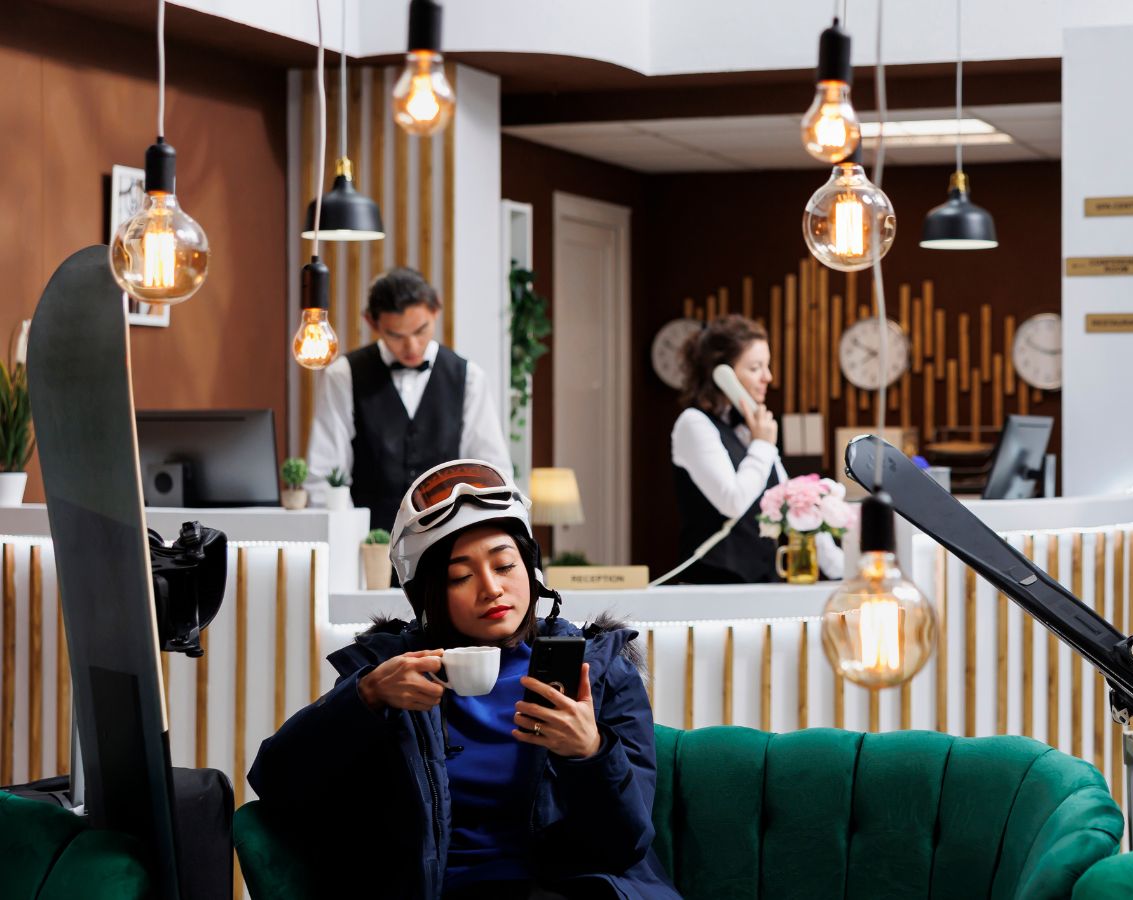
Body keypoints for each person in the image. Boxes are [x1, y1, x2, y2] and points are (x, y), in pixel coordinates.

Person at [249, 459, 678, 900]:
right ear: (430, 596)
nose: (491, 588)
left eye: (505, 565)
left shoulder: (598, 670)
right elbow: (277, 783)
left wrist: (590, 753)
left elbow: (624, 845)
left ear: (531, 570)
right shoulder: (393, 673)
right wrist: (366, 695)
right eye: (461, 576)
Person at [308, 267, 512, 531]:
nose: (412, 346)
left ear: (436, 311)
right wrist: (350, 540)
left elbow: (491, 474)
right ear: (372, 323)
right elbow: (324, 477)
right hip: (368, 541)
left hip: (447, 540)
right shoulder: (343, 375)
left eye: (421, 330)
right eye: (396, 336)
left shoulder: (469, 377)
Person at [669, 315, 842, 583]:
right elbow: (732, 501)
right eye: (755, 368)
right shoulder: (694, 424)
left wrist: (842, 570)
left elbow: (795, 503)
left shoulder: (751, 430)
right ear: (722, 374)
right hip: (713, 586)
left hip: (764, 583)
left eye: (767, 366)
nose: (768, 377)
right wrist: (762, 444)